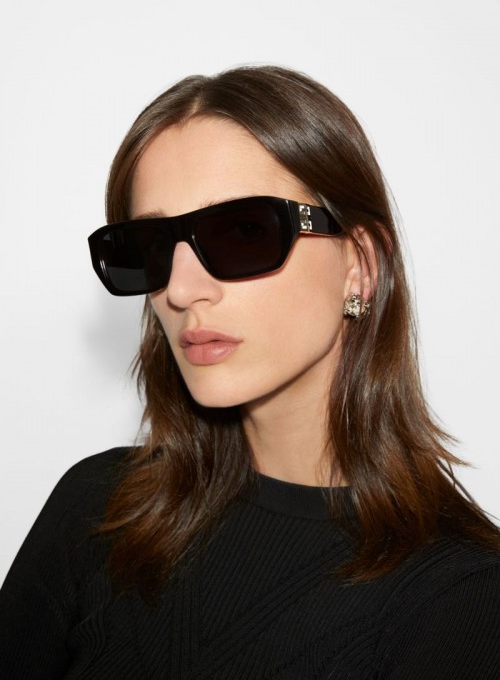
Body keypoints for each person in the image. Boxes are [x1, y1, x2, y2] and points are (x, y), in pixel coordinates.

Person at [1, 65, 499, 679]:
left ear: (360, 265)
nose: (181, 290)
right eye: (153, 246)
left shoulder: (463, 601)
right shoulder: (97, 509)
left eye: (242, 232)